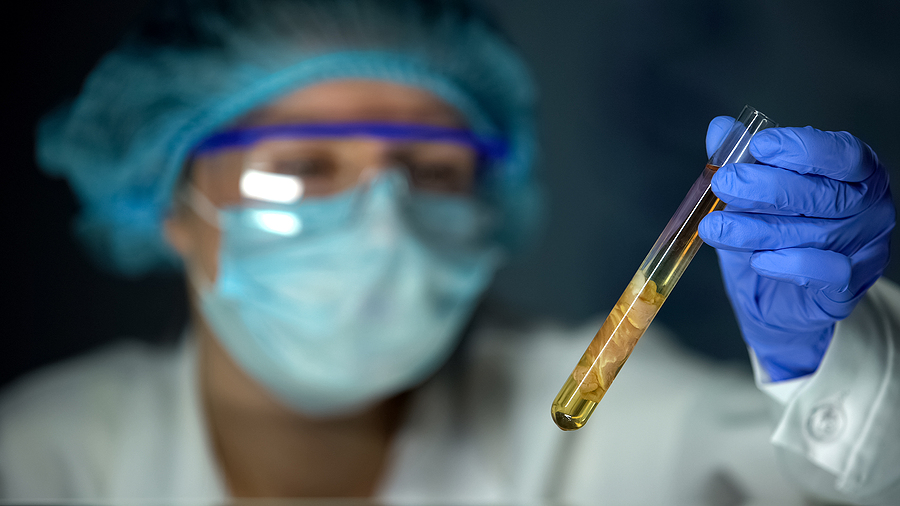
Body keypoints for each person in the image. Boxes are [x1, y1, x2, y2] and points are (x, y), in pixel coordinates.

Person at [4, 0, 899, 503]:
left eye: (431, 172)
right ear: (170, 202)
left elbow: (844, 477)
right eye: (301, 169)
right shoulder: (37, 464)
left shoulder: (617, 441)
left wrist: (827, 370)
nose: (382, 221)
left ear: (491, 204)